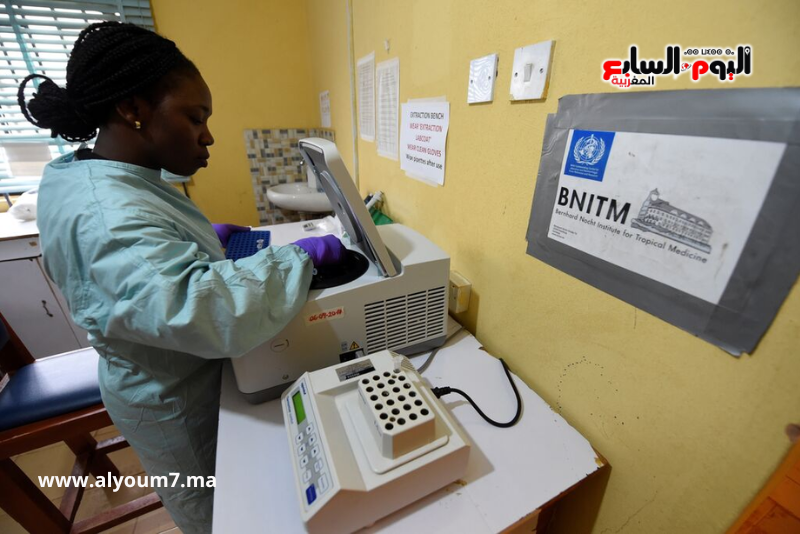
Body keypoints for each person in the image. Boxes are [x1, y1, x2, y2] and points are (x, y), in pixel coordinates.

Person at [17, 21, 344, 534]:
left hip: (169, 373)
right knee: (217, 514)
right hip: (173, 400)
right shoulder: (108, 213)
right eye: (195, 117)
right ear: (133, 109)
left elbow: (142, 263)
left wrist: (200, 241)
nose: (207, 135)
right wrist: (296, 259)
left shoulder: (90, 172)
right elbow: (200, 309)